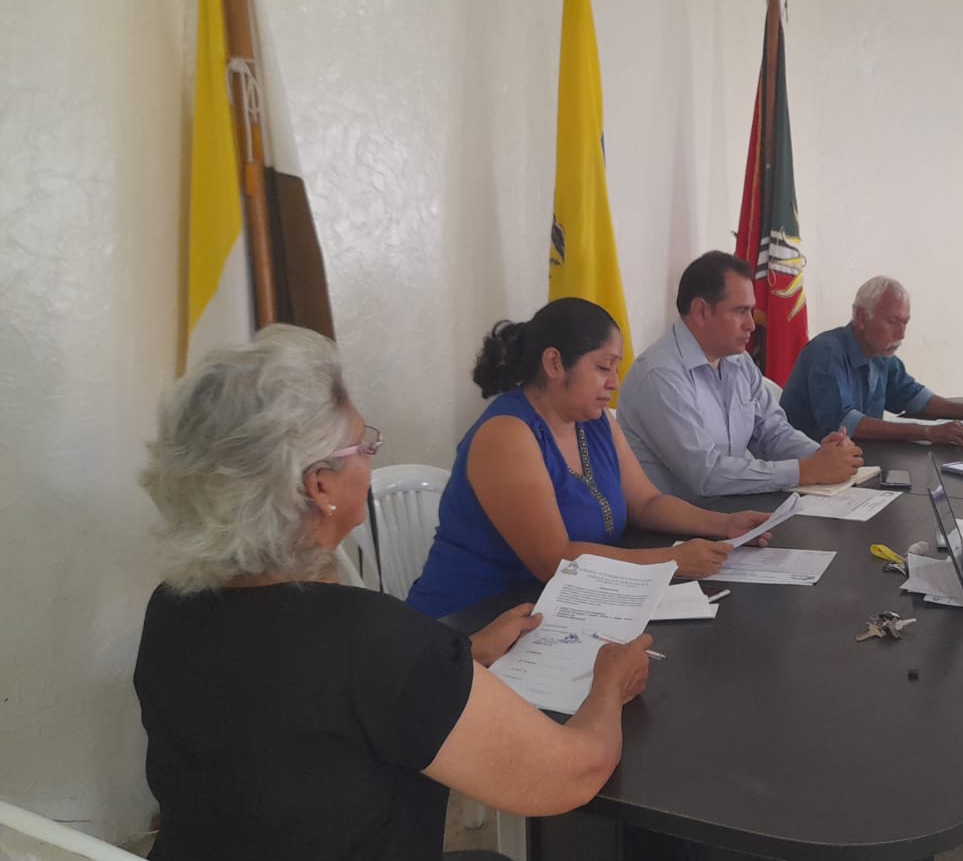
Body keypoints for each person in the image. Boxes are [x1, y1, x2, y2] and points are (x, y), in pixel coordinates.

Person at [133, 325, 654, 861]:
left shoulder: (170, 608)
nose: (371, 455)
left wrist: (462, 654)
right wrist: (609, 682)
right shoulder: (369, 639)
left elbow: (304, 709)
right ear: (320, 485)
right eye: (365, 444)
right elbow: (571, 774)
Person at [406, 299, 771, 618]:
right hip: (469, 626)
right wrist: (673, 561)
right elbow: (554, 560)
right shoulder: (507, 434)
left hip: (555, 608)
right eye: (603, 367)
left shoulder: (593, 421)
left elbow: (647, 502)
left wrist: (724, 525)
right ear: (554, 363)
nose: (614, 382)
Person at [617, 251, 863, 500]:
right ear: (701, 311)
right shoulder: (660, 375)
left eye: (751, 311)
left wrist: (825, 456)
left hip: (729, 508)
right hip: (678, 520)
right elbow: (706, 475)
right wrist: (805, 470)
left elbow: (772, 433)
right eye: (740, 311)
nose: (751, 325)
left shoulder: (738, 361)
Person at [781, 276, 963, 446]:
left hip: (856, 462)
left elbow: (918, 399)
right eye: (893, 322)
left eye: (905, 322)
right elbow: (844, 424)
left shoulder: (881, 355)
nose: (902, 334)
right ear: (862, 318)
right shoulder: (827, 352)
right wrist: (927, 432)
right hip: (808, 471)